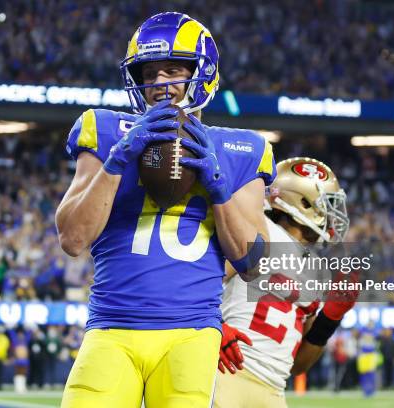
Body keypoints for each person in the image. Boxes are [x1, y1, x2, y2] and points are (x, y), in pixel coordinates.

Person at [57, 12, 276, 407]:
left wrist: (219, 188)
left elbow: (254, 263)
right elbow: (72, 238)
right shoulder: (106, 131)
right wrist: (117, 161)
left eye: (173, 70)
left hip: (192, 334)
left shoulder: (241, 149)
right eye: (149, 73)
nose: (159, 84)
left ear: (202, 73)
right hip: (111, 327)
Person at [214, 158, 356, 408]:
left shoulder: (317, 269)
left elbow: (298, 365)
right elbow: (203, 284)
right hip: (225, 375)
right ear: (303, 202)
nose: (333, 216)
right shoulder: (259, 230)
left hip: (273, 390)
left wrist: (330, 319)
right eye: (328, 205)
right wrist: (214, 324)